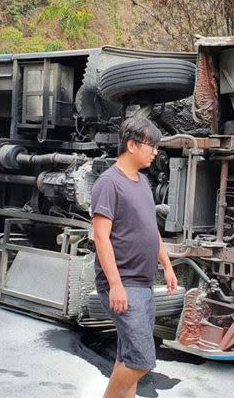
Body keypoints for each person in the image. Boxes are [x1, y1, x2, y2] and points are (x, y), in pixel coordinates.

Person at [91, 118, 178, 398]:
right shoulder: (109, 183)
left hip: (143, 283)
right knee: (141, 360)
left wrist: (167, 266)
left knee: (127, 357)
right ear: (132, 145)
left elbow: (151, 229)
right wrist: (114, 285)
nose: (155, 152)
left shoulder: (142, 183)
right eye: (151, 145)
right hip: (123, 284)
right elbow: (101, 238)